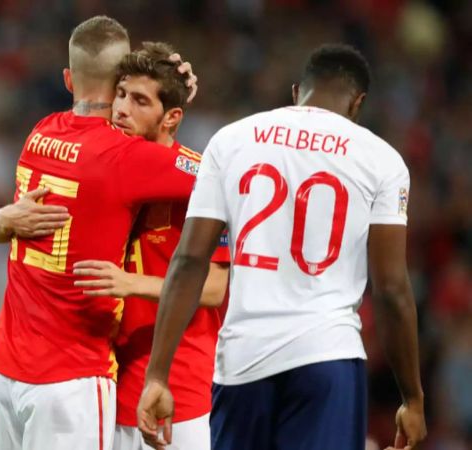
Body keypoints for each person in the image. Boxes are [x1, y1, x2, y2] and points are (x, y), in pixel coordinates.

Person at [137, 44, 426, 450]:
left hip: (241, 360)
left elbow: (188, 260)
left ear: (296, 92)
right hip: (327, 357)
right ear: (358, 103)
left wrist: (157, 376)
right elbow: (392, 289)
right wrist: (412, 397)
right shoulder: (382, 161)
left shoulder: (231, 140)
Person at [0, 17, 199, 450]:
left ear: (68, 78)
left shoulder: (39, 132)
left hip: (3, 368)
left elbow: (8, 224)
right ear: (120, 78)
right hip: (69, 377)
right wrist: (179, 101)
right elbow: (218, 175)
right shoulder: (126, 155)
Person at [69, 42, 230, 450]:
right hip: (110, 387)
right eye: (120, 94)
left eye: (139, 100)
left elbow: (214, 288)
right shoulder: (106, 172)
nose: (121, 109)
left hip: (181, 391)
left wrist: (129, 283)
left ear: (172, 117)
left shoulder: (198, 185)